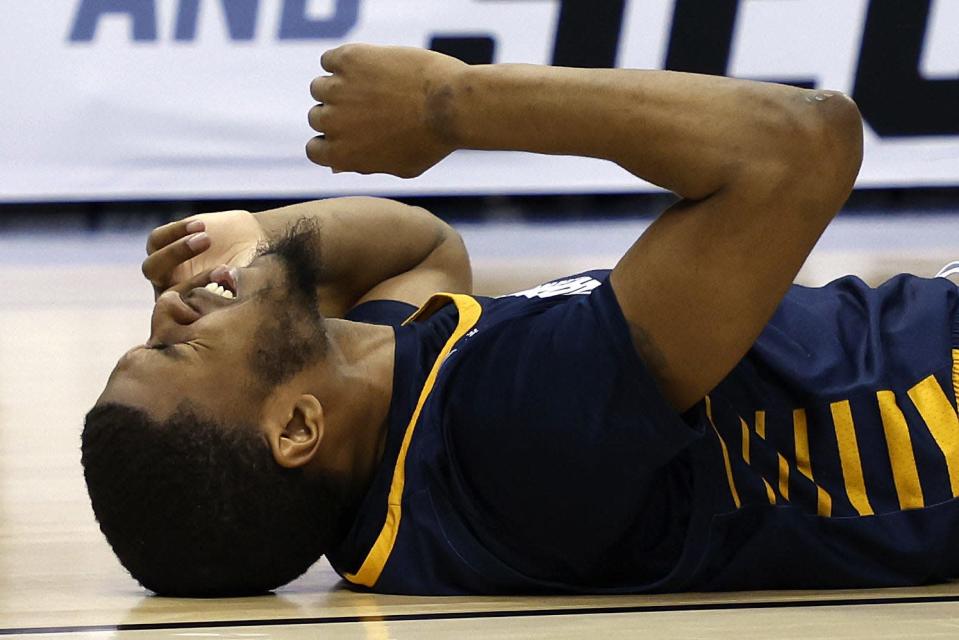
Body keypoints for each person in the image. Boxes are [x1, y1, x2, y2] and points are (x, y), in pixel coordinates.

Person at [83, 44, 959, 598]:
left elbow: (414, 250)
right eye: (179, 346)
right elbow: (800, 146)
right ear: (298, 427)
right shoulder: (514, 432)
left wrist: (264, 239)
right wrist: (452, 104)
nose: (170, 306)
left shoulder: (385, 440)